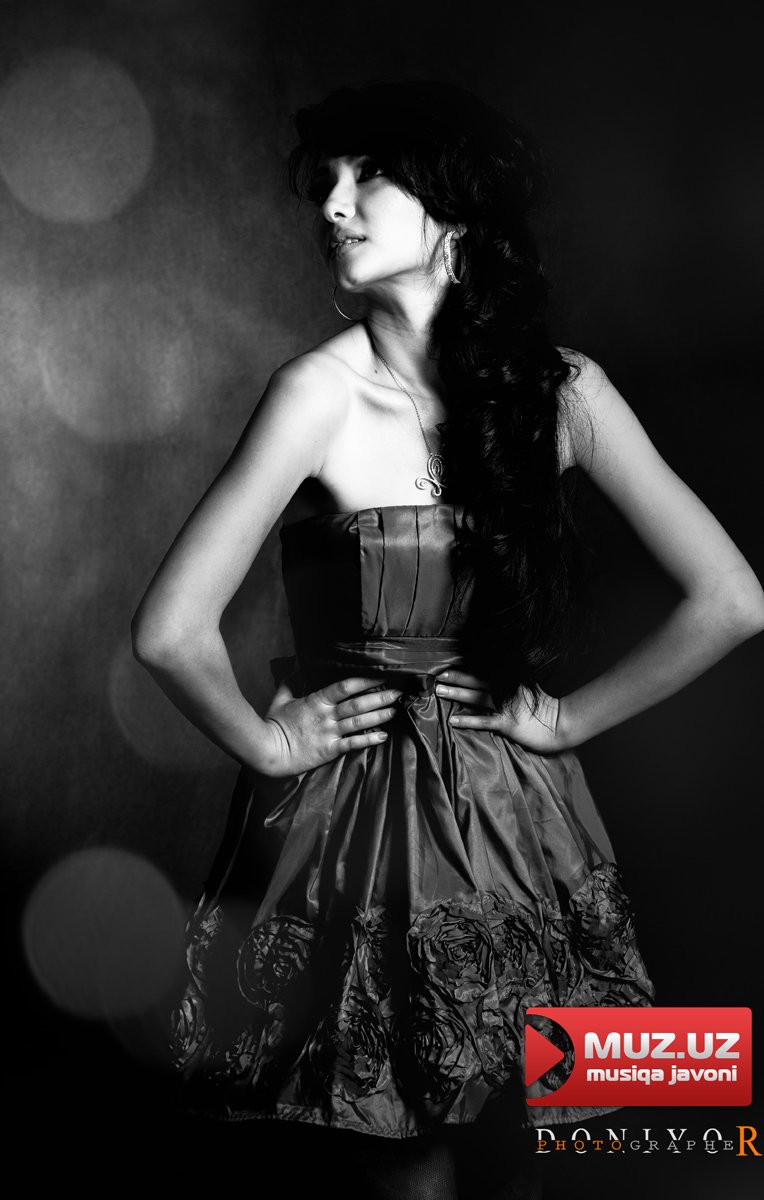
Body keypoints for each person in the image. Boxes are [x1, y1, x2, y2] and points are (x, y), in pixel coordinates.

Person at [131, 80, 764, 1198]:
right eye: (324, 184)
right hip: (361, 829)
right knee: (403, 1154)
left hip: (519, 820)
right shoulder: (315, 394)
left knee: (544, 1136)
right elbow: (169, 633)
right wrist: (270, 744)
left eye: (367, 177)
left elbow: (732, 598)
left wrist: (571, 718)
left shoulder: (562, 392)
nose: (332, 206)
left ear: (456, 214)